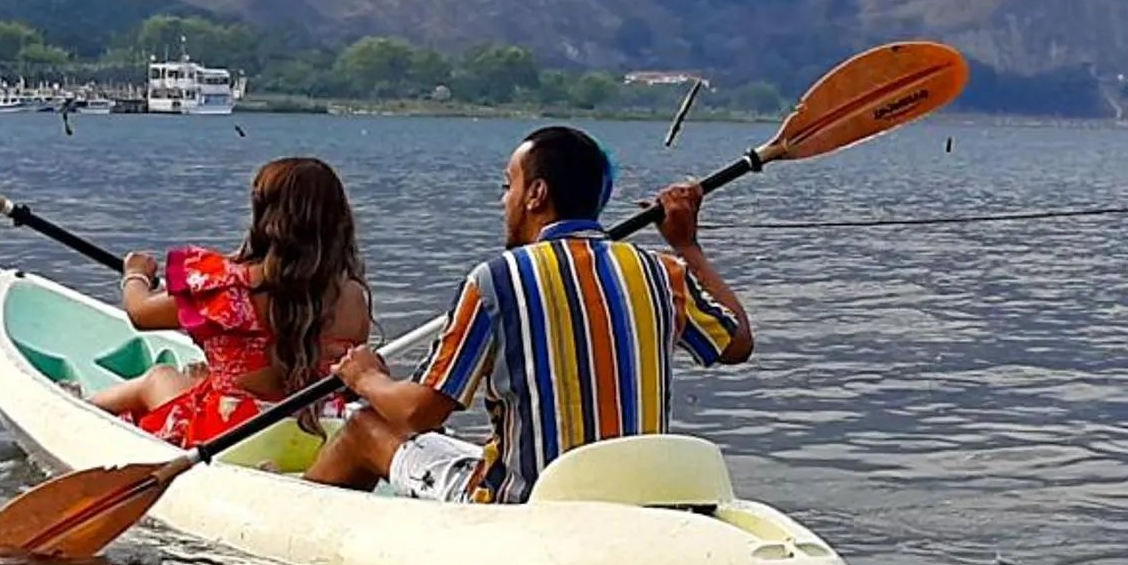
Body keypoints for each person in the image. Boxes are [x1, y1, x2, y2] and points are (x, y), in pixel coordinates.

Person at [306, 125, 751, 503]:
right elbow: (737, 344)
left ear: (536, 194)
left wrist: (364, 377)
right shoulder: (664, 271)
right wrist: (687, 245)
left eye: (509, 185)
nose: (505, 200)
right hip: (635, 497)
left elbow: (418, 413)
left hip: (524, 502)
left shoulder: (495, 281)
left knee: (364, 425)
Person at [90, 156, 373, 448]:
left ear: (266, 217)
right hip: (317, 433)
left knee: (158, 377)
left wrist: (135, 275)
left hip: (231, 435)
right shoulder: (353, 297)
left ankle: (79, 407)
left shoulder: (231, 288)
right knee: (195, 383)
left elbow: (141, 313)